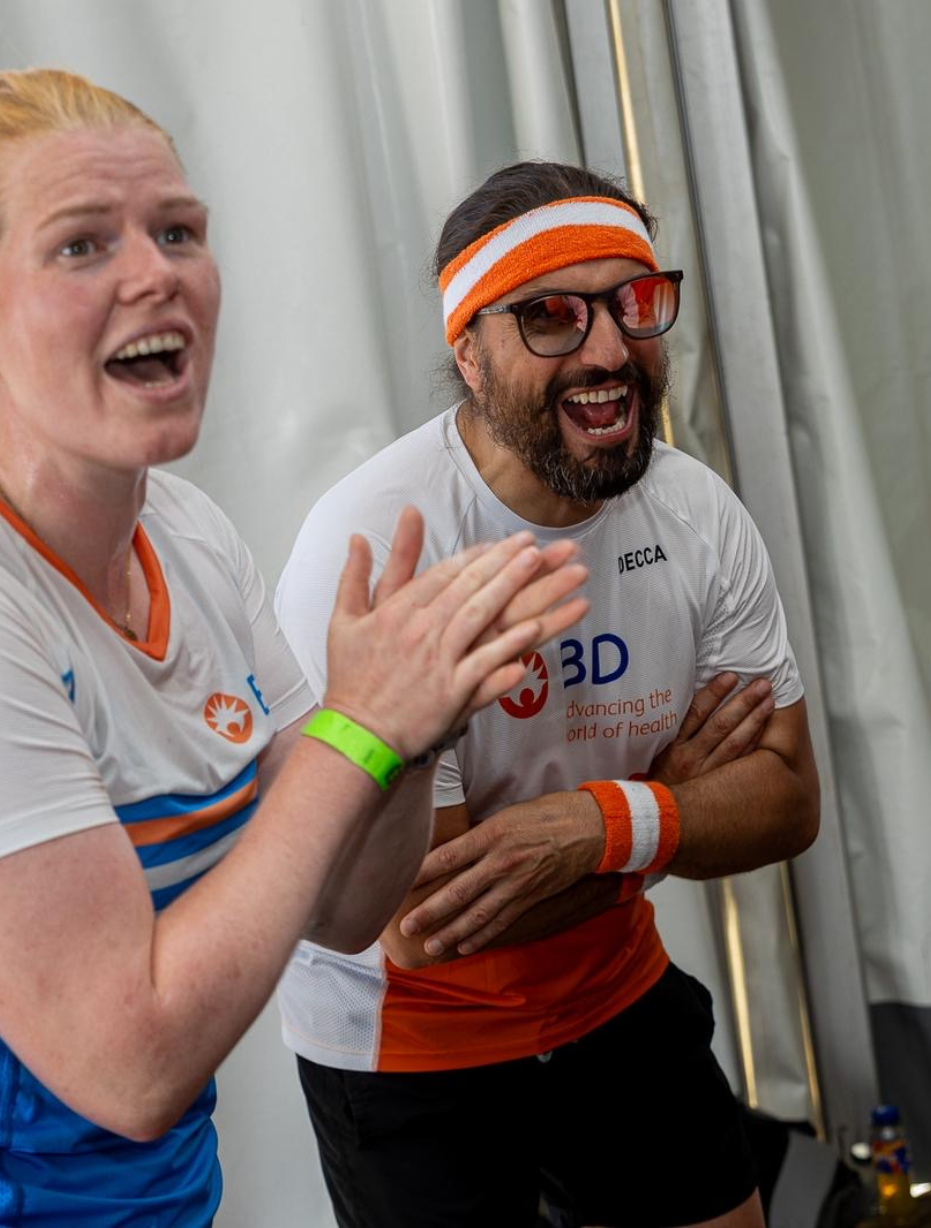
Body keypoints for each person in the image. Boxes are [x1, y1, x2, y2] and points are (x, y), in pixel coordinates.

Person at [0, 70, 589, 1226]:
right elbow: (132, 1065)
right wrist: (357, 726)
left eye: (176, 231)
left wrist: (418, 725)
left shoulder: (187, 536)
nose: (156, 271)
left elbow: (349, 907)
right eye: (81, 246)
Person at [274, 160, 821, 1228]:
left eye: (634, 301)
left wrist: (598, 823)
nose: (610, 348)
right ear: (469, 354)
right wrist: (672, 806)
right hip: (408, 1038)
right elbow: (426, 920)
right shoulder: (384, 546)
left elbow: (790, 800)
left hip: (612, 991)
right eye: (552, 317)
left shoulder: (696, 514)